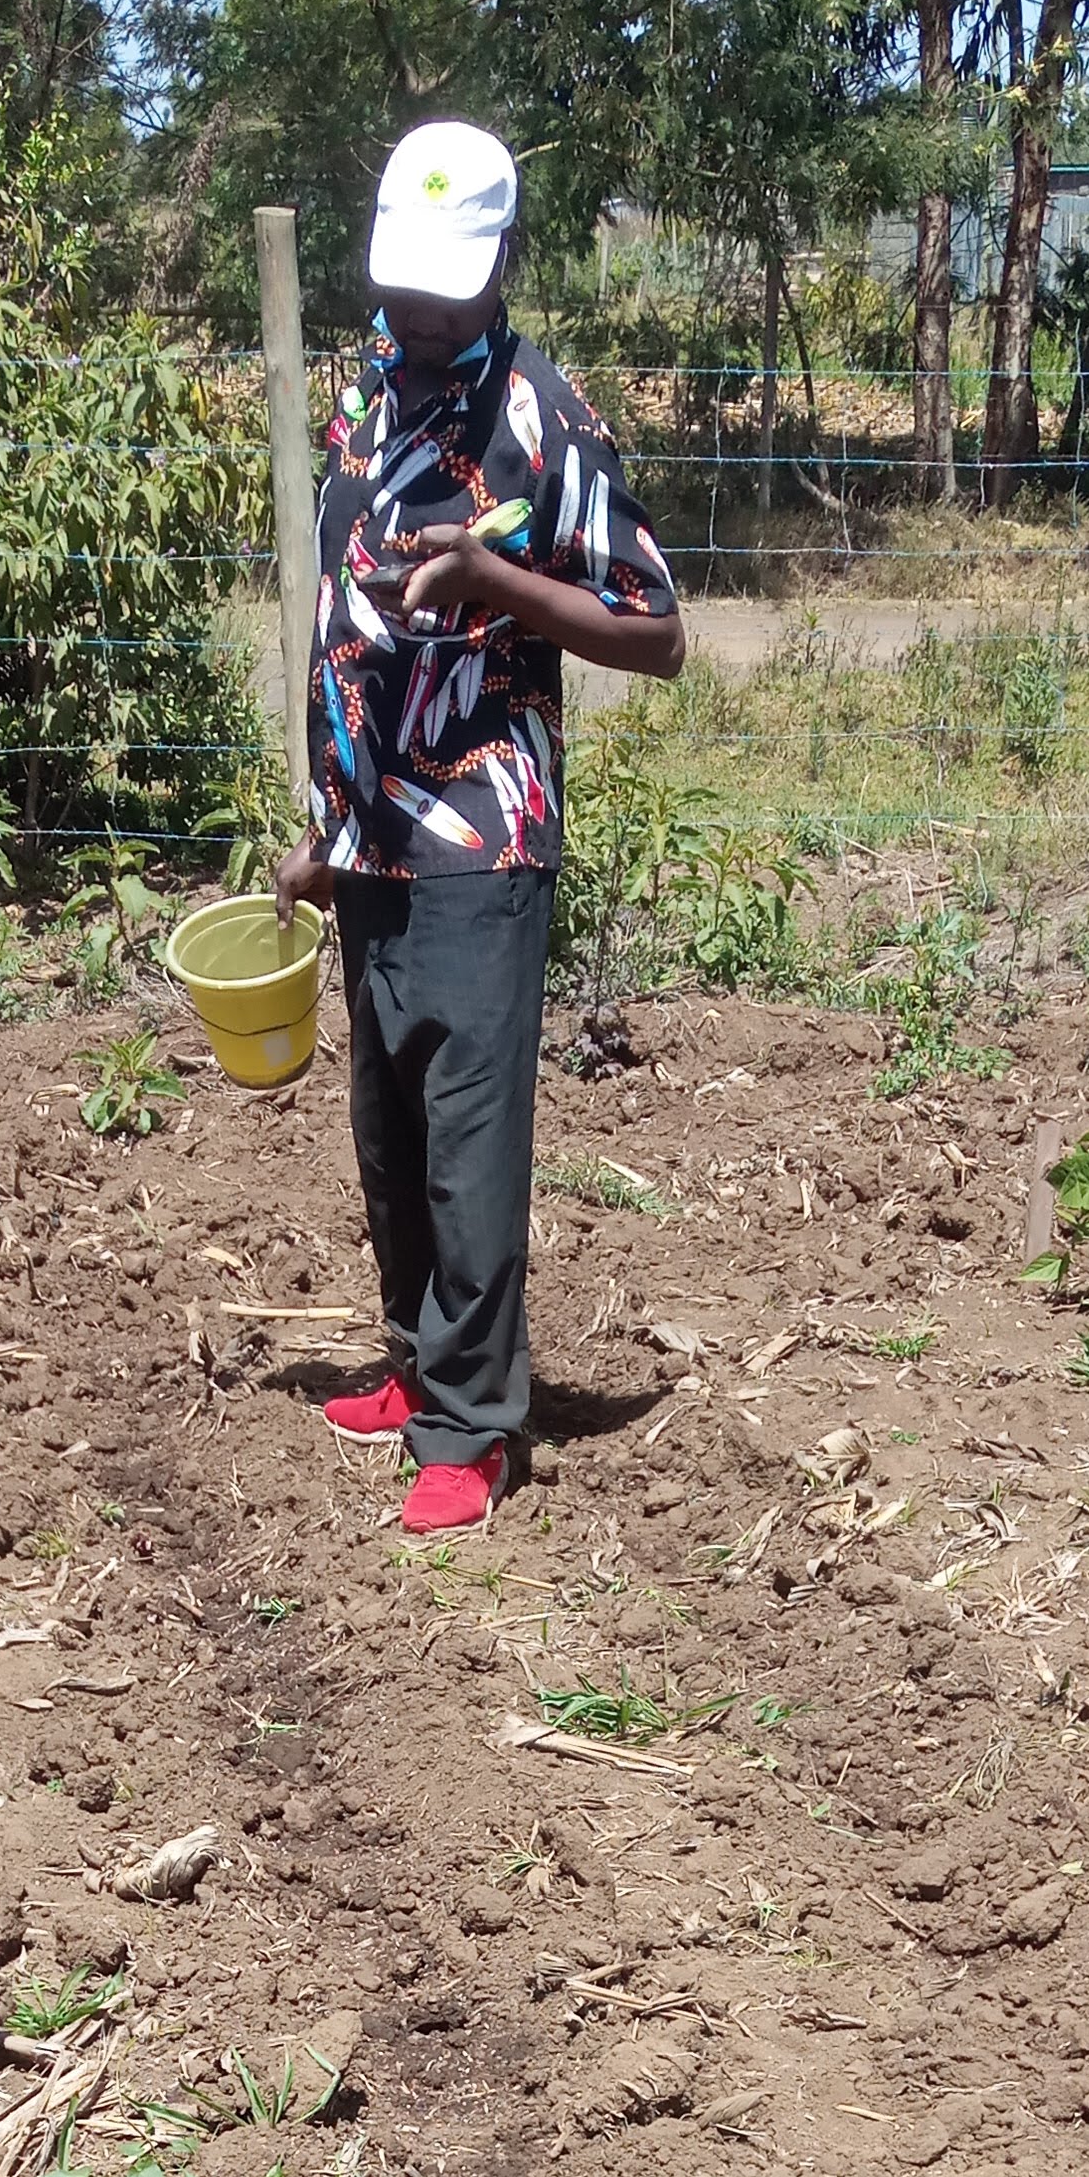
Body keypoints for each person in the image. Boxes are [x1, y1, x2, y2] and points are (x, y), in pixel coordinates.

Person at [273, 121, 687, 1536]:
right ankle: (415, 1358)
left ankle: (473, 1423)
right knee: (387, 1128)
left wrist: (498, 585)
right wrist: (328, 825)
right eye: (401, 282)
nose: (416, 308)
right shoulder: (364, 405)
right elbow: (349, 626)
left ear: (502, 261)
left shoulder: (544, 419)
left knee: (469, 1137)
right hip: (374, 828)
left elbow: (658, 632)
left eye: (444, 284)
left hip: (481, 829)